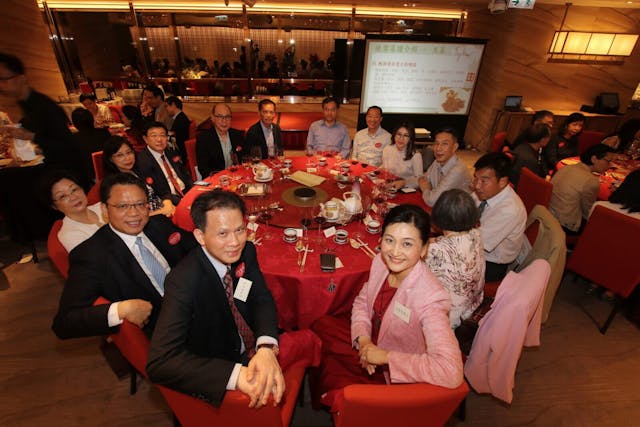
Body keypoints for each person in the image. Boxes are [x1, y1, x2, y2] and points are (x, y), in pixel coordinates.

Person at [311, 204, 463, 412]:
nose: (395, 252)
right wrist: (364, 341)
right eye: (389, 240)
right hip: (372, 340)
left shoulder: (431, 298)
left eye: (407, 244)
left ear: (425, 249)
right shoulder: (380, 262)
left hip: (394, 372)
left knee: (343, 389)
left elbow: (450, 371)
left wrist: (383, 356)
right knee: (320, 325)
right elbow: (362, 302)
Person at [146, 191, 283, 407]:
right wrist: (236, 375)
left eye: (240, 230)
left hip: (252, 345)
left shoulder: (246, 251)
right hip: (220, 364)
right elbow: (160, 363)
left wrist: (265, 346)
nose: (235, 242)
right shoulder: (183, 281)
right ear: (200, 237)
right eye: (222, 234)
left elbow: (260, 298)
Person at [51, 173, 197, 339]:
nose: (134, 213)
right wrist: (121, 310)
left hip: (196, 300)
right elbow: (64, 323)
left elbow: (194, 247)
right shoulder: (91, 255)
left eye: (140, 204)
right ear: (105, 209)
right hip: (169, 331)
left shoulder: (157, 224)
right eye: (122, 206)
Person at [0, 52, 85, 182]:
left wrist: (30, 136)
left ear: (21, 78)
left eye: (4, 79)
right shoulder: (25, 104)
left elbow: (65, 145)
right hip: (55, 165)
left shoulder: (43, 106)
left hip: (68, 171)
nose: (2, 85)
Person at [426, 189, 485, 329]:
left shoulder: (437, 251)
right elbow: (448, 242)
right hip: (472, 304)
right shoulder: (475, 234)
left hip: (448, 318)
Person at [472, 152, 527, 282]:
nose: (477, 186)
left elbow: (475, 242)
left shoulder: (509, 210)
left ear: (502, 181)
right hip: (475, 247)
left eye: (484, 181)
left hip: (491, 264)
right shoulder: (485, 193)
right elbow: (464, 210)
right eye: (476, 179)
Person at [549, 144, 614, 235]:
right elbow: (588, 212)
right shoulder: (591, 180)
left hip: (547, 213)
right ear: (594, 159)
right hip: (564, 225)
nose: (610, 165)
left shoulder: (566, 167)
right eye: (608, 161)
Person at [102, 136, 175, 217]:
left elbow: (162, 190)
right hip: (147, 222)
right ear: (110, 159)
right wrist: (161, 212)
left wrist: (167, 204)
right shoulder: (115, 185)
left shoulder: (140, 170)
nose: (127, 158)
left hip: (166, 211)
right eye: (120, 155)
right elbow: (129, 216)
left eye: (129, 152)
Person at [41, 170, 105, 252]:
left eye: (74, 190)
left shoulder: (103, 206)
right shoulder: (69, 235)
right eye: (63, 196)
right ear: (54, 206)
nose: (73, 197)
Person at [136, 121, 193, 205]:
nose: (159, 139)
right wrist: (183, 202)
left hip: (185, 193)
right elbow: (156, 192)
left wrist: (194, 189)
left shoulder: (171, 152)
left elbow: (184, 175)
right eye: (154, 136)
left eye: (162, 135)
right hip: (169, 200)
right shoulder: (142, 161)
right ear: (145, 139)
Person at [418, 127, 471, 206]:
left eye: (444, 144)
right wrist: (404, 183)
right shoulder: (437, 162)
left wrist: (426, 189)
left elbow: (432, 201)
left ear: (454, 147)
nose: (438, 148)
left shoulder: (458, 170)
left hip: (456, 213)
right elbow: (423, 179)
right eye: (436, 143)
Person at [196, 103, 244, 177]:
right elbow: (203, 169)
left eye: (227, 117)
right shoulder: (204, 138)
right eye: (220, 116)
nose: (224, 121)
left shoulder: (237, 135)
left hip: (236, 177)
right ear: (212, 118)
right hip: (216, 181)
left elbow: (245, 159)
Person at [70, 107, 110, 183]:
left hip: (88, 178)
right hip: (109, 171)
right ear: (92, 119)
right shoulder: (104, 133)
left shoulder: (73, 140)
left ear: (75, 124)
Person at [381, 122, 423, 189]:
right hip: (390, 187)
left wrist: (404, 183)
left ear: (410, 139)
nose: (401, 138)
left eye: (406, 135)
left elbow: (419, 180)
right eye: (399, 134)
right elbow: (385, 169)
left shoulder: (416, 156)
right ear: (394, 135)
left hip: (407, 189)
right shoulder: (387, 149)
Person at [509, 123, 551, 187]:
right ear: (542, 140)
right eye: (548, 137)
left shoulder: (522, 146)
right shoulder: (530, 160)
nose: (549, 140)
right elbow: (529, 184)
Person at [165, 96, 191, 161]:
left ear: (173, 105)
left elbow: (174, 139)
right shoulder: (180, 117)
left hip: (180, 153)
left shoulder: (181, 120)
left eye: (167, 106)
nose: (166, 109)